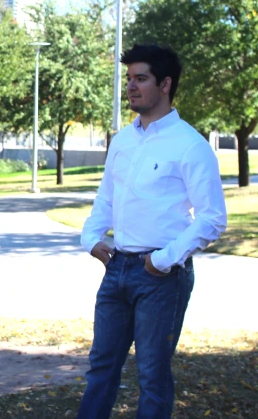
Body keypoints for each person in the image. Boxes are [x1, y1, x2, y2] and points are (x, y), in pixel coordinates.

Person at [77, 44, 227, 419]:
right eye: (128, 79)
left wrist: (161, 261)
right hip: (117, 271)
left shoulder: (190, 145)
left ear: (165, 84)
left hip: (161, 276)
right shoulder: (123, 140)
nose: (130, 86)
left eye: (140, 78)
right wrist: (91, 237)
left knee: (153, 375)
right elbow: (106, 195)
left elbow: (212, 218)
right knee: (100, 370)